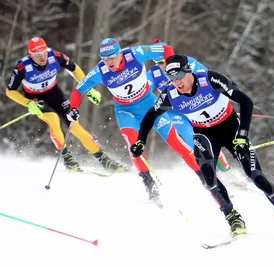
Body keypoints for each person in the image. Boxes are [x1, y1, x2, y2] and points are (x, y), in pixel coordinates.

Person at [131, 54, 274, 239]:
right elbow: (150, 116)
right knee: (208, 179)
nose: (176, 82)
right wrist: (140, 140)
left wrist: (242, 134)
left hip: (231, 129)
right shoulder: (171, 94)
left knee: (257, 177)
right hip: (205, 135)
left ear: (188, 72)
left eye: (178, 76)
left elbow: (245, 102)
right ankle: (233, 217)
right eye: (171, 78)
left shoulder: (209, 79)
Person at [67, 38, 203, 205]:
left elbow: (166, 49)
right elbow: (77, 91)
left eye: (112, 57)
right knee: (134, 146)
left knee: (176, 142)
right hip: (125, 111)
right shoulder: (100, 71)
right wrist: (73, 108)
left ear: (120, 54)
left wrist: (170, 70)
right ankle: (149, 184)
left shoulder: (135, 53)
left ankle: (204, 176)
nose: (109, 62)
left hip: (149, 104)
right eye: (105, 58)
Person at [5, 37, 125, 172]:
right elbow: (10, 91)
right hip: (35, 99)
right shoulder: (23, 67)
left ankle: (104, 159)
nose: (42, 57)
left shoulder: (55, 56)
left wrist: (88, 88)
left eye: (44, 52)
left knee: (74, 126)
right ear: (30, 54)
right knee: (53, 119)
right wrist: (28, 104)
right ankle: (67, 158)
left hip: (54, 93)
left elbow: (74, 68)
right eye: (37, 55)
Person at [147, 39, 231, 173]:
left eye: (164, 61)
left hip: (194, 107)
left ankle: (226, 169)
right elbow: (143, 90)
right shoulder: (154, 73)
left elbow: (207, 78)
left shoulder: (188, 63)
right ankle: (213, 171)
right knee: (191, 136)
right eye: (158, 63)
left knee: (208, 137)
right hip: (175, 112)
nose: (162, 66)